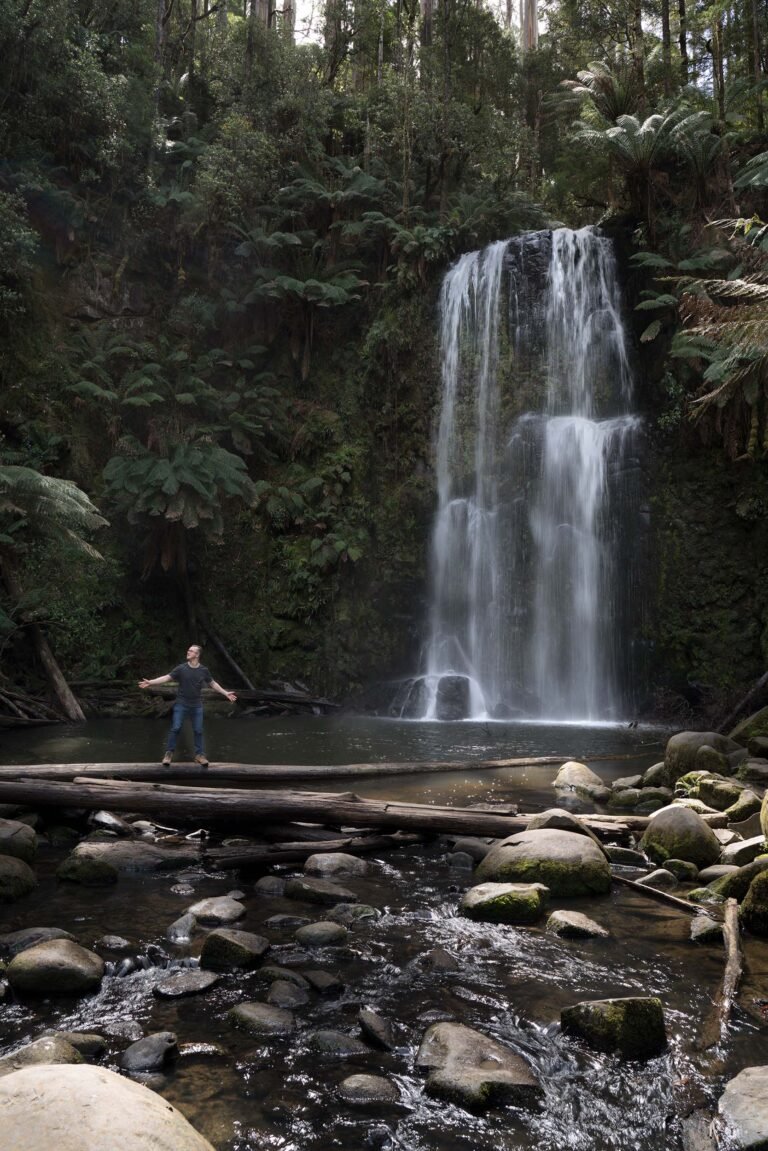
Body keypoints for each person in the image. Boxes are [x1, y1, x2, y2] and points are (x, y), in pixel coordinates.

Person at [138, 644, 237, 766]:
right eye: (188, 650)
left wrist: (225, 693)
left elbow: (213, 683)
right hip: (181, 704)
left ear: (197, 655)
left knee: (198, 730)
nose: (188, 652)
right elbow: (167, 677)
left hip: (196, 706)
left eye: (191, 651)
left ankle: (199, 755)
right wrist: (150, 682)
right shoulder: (181, 668)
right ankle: (169, 753)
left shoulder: (203, 671)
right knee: (176, 727)